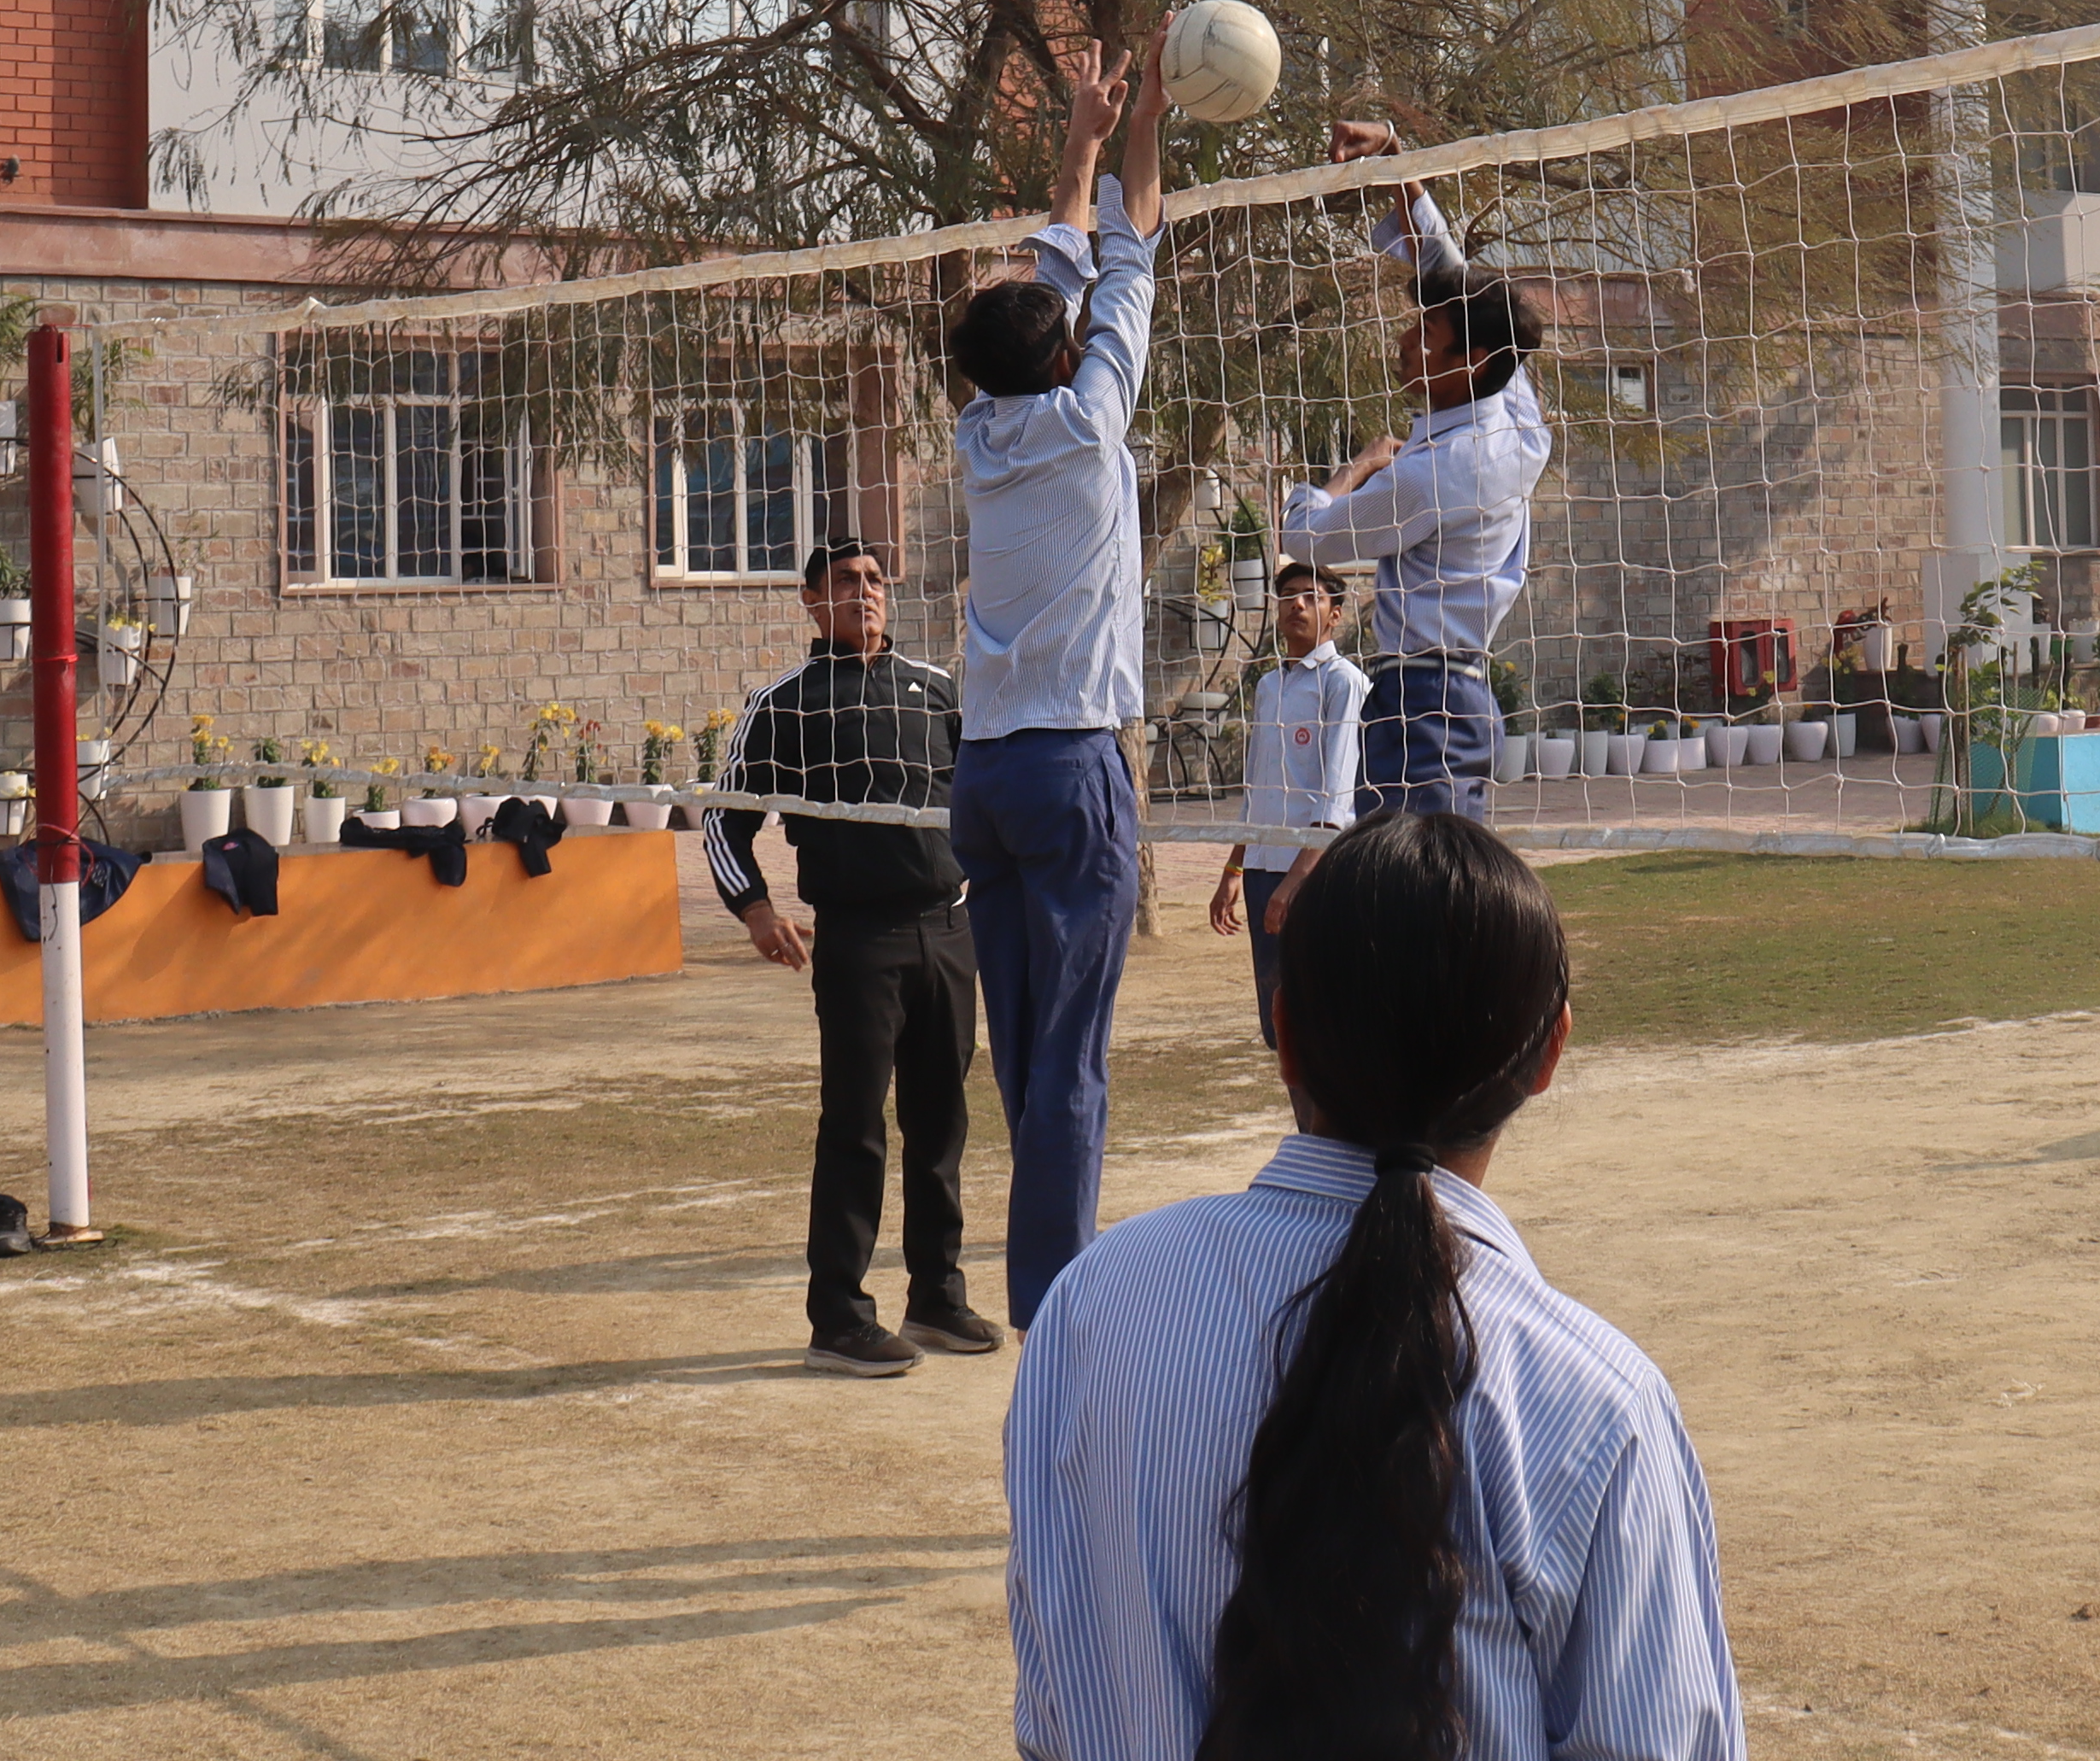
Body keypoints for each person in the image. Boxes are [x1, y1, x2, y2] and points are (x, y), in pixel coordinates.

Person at [1003, 810, 1740, 1761]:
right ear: (1550, 1051)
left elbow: (1053, 1701)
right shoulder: (1591, 1400)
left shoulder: (1095, 1306)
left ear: (1285, 1036)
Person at [948, 39, 1171, 1330]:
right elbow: (1122, 255)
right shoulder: (1094, 416)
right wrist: (1140, 126)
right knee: (1070, 1059)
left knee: (1029, 1048)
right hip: (1075, 764)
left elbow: (1065, 265)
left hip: (986, 776)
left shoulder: (980, 432)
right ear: (1067, 350)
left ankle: (1042, 1264)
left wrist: (1087, 143)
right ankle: (1056, 1299)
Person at [705, 537, 994, 1378]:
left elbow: (978, 803)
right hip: (859, 938)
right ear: (810, 598)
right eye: (844, 581)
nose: (864, 593)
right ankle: (839, 1312)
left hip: (948, 931)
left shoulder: (937, 690)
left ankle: (936, 1292)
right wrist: (756, 908)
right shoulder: (786, 701)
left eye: (874, 580)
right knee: (856, 1125)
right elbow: (725, 819)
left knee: (941, 1121)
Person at [1278, 118, 1552, 820]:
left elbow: (1307, 540)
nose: (1403, 343)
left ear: (1468, 362)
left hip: (1422, 706)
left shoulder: (1430, 477)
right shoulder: (1515, 417)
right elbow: (1444, 266)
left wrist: (1354, 470)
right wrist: (1399, 162)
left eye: (1424, 335)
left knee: (1420, 897)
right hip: (1451, 696)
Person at [1205, 557, 1367, 1047]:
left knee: (1321, 1017)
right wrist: (1234, 871)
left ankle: (1338, 1123)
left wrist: (1297, 880)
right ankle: (1305, 1123)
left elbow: (1336, 795)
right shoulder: (1270, 685)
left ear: (1335, 614)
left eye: (1311, 597)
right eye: (1287, 596)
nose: (1296, 604)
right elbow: (1256, 791)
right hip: (1262, 869)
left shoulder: (1343, 681)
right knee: (1279, 1023)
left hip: (1315, 872)